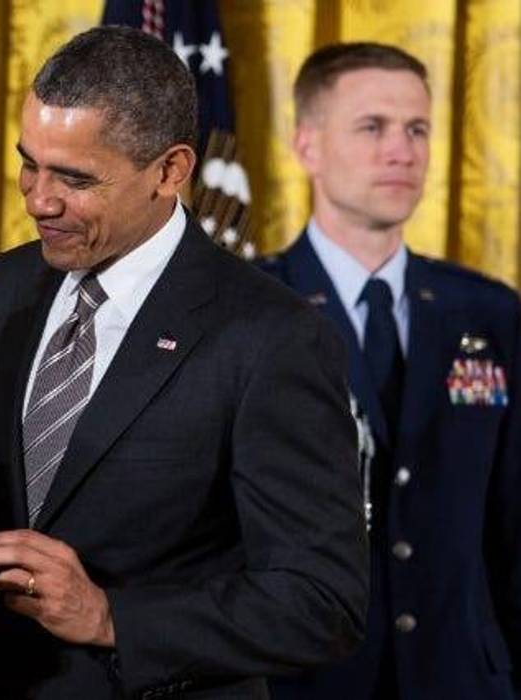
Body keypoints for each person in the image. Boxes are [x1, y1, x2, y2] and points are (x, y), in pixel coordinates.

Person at [0, 26, 369, 699]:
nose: (37, 199)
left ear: (170, 171)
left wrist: (112, 618)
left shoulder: (270, 336)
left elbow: (321, 603)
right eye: (29, 162)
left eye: (74, 178)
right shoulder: (5, 285)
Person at [261, 42, 521, 700]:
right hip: (304, 683)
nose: (400, 151)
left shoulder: (487, 312)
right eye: (371, 127)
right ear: (307, 146)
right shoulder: (251, 308)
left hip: (461, 679)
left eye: (416, 129)